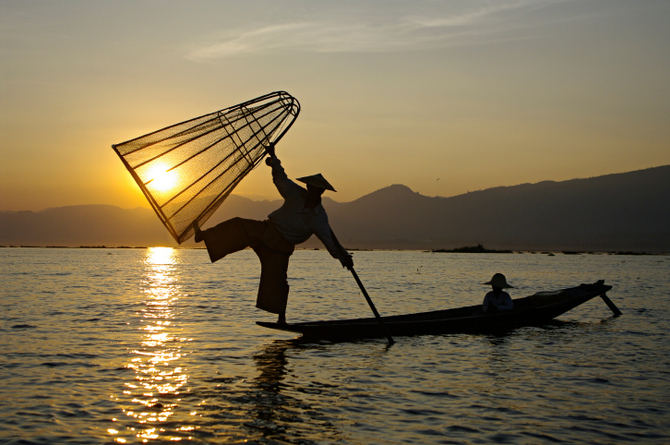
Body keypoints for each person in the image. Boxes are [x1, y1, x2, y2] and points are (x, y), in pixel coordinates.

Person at [193, 147, 353, 324]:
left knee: (278, 281)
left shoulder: (319, 218)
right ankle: (204, 235)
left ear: (321, 192)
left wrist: (343, 258)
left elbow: (330, 241)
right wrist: (274, 159)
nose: (311, 191)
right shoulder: (296, 194)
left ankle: (281, 319)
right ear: (308, 187)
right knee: (239, 225)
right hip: (266, 230)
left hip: (280, 247)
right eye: (310, 188)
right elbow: (281, 179)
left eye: (316, 190)